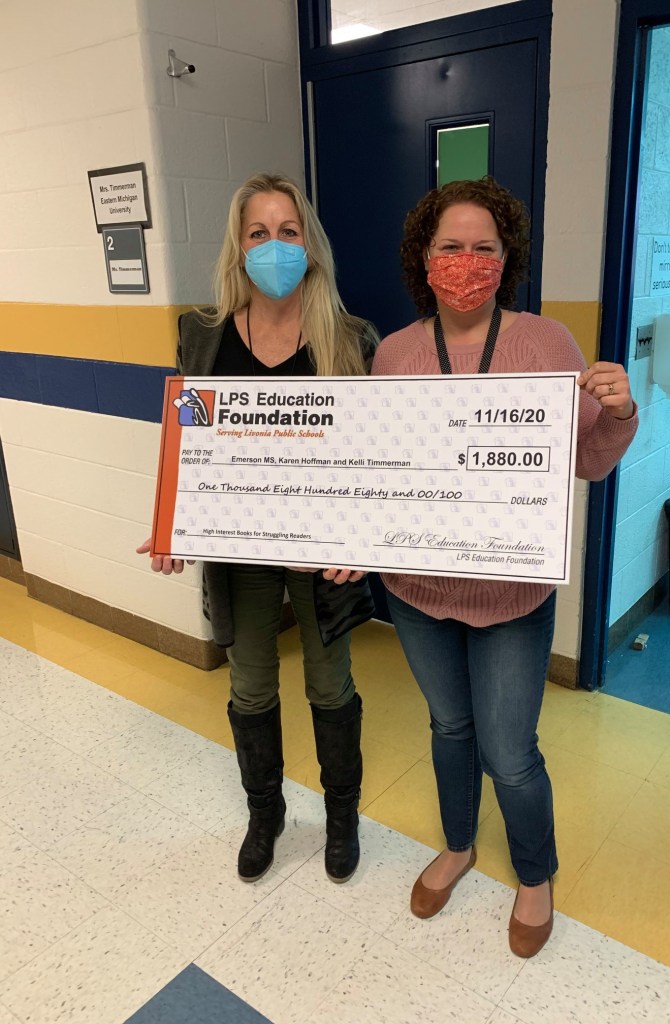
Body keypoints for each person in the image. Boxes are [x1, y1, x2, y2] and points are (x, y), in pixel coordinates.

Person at [371, 177, 637, 958]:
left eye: (483, 247)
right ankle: (458, 845)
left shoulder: (547, 344)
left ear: (506, 257)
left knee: (511, 754)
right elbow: (378, 472)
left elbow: (589, 460)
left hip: (512, 596)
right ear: (424, 259)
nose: (467, 261)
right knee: (449, 726)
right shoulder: (393, 354)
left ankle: (535, 874)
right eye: (450, 246)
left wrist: (620, 411)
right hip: (418, 592)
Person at [138, 173, 377, 885]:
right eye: (259, 232)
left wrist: (361, 537)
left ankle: (341, 818)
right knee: (248, 686)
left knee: (330, 684)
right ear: (238, 247)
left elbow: (374, 456)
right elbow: (190, 442)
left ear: (310, 244)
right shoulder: (202, 336)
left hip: (321, 554)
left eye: (289, 231)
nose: (275, 245)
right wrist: (174, 523)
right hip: (238, 551)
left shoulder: (351, 340)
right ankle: (264, 814)